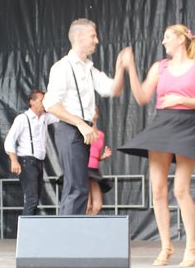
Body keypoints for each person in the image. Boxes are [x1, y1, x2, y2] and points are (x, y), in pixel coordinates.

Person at [118, 24, 195, 268]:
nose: (163, 42)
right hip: (162, 124)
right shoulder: (159, 67)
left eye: (167, 37)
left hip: (187, 124)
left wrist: (182, 99)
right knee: (158, 189)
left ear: (181, 39)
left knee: (181, 189)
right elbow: (142, 97)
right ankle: (166, 246)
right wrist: (131, 69)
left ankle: (191, 246)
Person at [43, 18, 130, 215]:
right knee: (76, 187)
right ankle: (68, 233)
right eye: (93, 36)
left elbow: (113, 89)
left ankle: (71, 231)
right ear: (78, 37)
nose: (96, 41)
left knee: (79, 186)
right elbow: (50, 104)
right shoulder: (62, 67)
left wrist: (120, 67)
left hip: (84, 131)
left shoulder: (89, 69)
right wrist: (80, 124)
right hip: (71, 129)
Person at [4, 89, 59, 215]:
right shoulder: (23, 119)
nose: (44, 104)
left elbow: (60, 116)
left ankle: (29, 225)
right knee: (32, 198)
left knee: (35, 198)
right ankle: (25, 227)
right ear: (32, 102)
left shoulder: (45, 117)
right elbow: (9, 140)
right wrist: (14, 160)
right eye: (41, 101)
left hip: (39, 162)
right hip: (27, 161)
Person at [86, 107, 113, 215]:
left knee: (97, 206)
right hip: (83, 168)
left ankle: (88, 224)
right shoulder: (82, 131)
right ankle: (81, 225)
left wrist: (103, 157)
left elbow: (94, 155)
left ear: (97, 114)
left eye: (94, 110)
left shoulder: (100, 134)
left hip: (94, 170)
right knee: (86, 205)